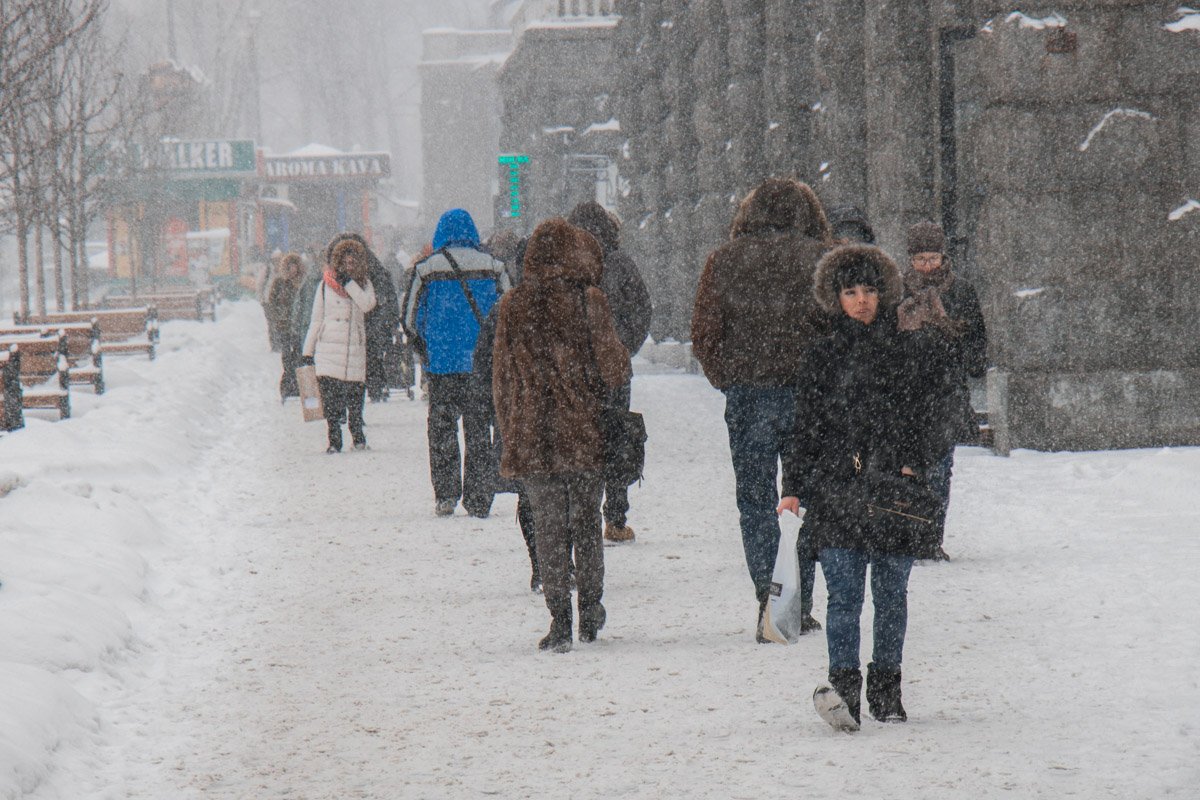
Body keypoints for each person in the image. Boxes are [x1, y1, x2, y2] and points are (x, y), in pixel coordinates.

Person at [779, 244, 955, 730]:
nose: (861, 301)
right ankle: (845, 689)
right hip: (837, 490)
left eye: (870, 290)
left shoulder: (908, 349)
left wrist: (913, 464)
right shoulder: (821, 355)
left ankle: (887, 690)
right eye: (850, 291)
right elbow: (805, 425)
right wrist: (793, 486)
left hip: (893, 490)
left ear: (884, 294)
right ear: (835, 297)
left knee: (892, 592)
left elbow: (933, 413)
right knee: (845, 595)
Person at [690, 177, 833, 643]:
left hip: (749, 393)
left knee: (755, 500)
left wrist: (728, 377)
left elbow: (705, 333)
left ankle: (770, 600)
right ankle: (801, 601)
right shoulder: (820, 260)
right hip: (809, 395)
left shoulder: (724, 261)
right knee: (805, 498)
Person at [492, 218, 630, 652]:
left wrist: (511, 424)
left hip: (532, 434)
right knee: (586, 522)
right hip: (583, 431)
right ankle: (590, 608)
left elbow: (501, 376)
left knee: (549, 525)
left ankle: (559, 619)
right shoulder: (590, 301)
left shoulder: (513, 304)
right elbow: (615, 369)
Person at [402, 209, 510, 518]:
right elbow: (511, 311)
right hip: (481, 365)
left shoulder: (426, 269)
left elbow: (409, 318)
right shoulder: (494, 267)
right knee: (478, 431)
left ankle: (446, 494)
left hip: (442, 366)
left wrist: (426, 345)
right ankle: (478, 497)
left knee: (442, 429)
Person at [896, 221, 988, 561]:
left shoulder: (960, 291)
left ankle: (931, 538)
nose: (927, 265)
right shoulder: (897, 291)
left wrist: (956, 349)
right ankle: (909, 535)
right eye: (920, 259)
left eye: (932, 257)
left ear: (943, 255)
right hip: (906, 394)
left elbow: (978, 341)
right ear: (910, 259)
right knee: (907, 466)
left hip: (946, 391)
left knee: (939, 467)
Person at [567, 201, 652, 544]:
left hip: (573, 370)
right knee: (616, 436)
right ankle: (615, 518)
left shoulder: (567, 264)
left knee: (578, 438)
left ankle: (577, 513)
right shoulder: (620, 263)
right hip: (614, 368)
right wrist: (622, 347)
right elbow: (642, 310)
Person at [474, 235, 541, 592]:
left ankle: (542, 564)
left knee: (531, 494)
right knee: (571, 494)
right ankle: (567, 563)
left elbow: (484, 364)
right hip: (570, 421)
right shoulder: (582, 300)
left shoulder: (506, 307)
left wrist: (494, 411)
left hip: (522, 417)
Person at [302, 236, 377, 453]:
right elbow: (316, 320)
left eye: (354, 260)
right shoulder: (325, 286)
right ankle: (334, 440)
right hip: (328, 350)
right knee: (331, 400)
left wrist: (349, 283)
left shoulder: (364, 284)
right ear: (338, 261)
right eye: (345, 260)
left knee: (355, 398)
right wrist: (308, 352)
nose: (349, 264)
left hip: (354, 350)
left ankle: (358, 436)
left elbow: (367, 305)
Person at [325, 233, 401, 403]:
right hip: (370, 325)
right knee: (368, 358)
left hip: (359, 325)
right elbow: (388, 297)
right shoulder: (375, 268)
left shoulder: (333, 273)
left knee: (354, 361)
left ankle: (351, 399)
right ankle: (367, 392)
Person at [266, 252, 305, 402]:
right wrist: (277, 318)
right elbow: (272, 302)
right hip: (284, 325)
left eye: (294, 266)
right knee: (287, 356)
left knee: (299, 355)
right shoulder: (279, 283)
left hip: (298, 326)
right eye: (289, 266)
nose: (292, 269)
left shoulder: (302, 283)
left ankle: (296, 385)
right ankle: (288, 385)